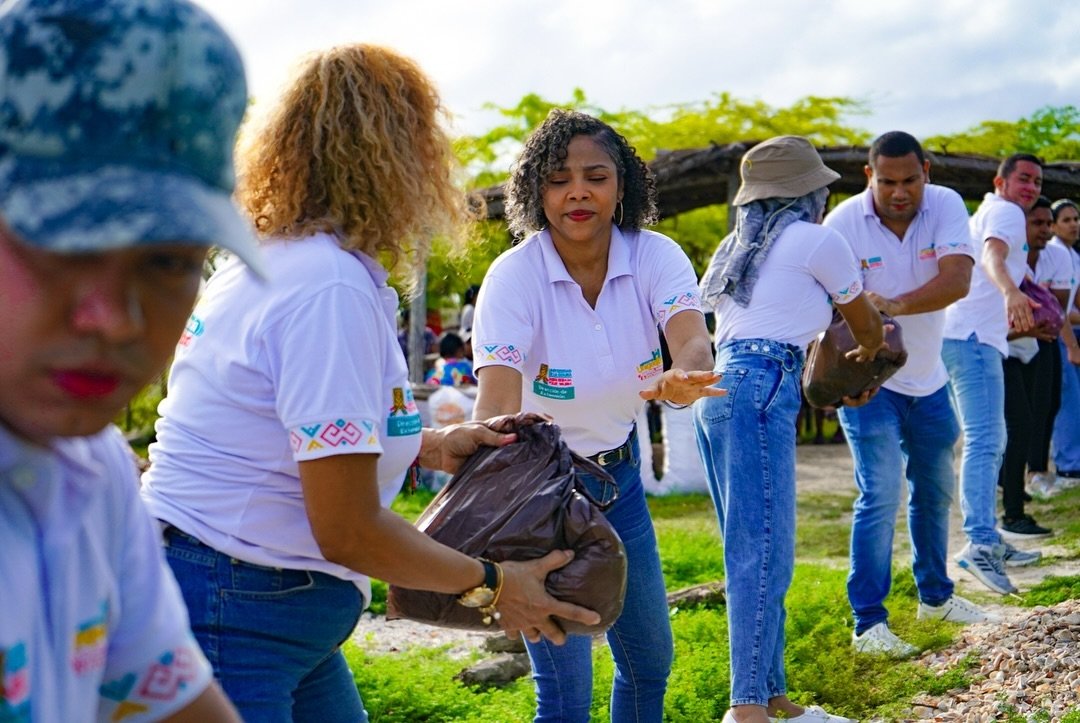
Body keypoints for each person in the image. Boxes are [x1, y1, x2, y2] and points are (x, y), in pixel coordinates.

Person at [141, 46, 599, 721]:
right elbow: (348, 528)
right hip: (233, 611)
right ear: (397, 157)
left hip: (254, 601)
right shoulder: (324, 288)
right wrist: (495, 584)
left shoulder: (277, 260)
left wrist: (433, 444)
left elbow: (285, 432)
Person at [0, 0, 259, 718]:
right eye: (61, 244)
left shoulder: (93, 468)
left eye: (166, 260)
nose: (113, 319)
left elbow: (169, 700)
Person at [471, 109, 720, 723]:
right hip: (539, 496)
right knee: (565, 697)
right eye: (557, 179)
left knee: (648, 664)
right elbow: (497, 400)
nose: (578, 191)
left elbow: (692, 340)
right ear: (536, 192)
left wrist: (684, 375)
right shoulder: (514, 276)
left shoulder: (655, 255)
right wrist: (497, 527)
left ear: (622, 188)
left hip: (620, 482)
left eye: (596, 176)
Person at [694, 135, 883, 723]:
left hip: (721, 389)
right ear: (810, 193)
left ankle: (774, 698)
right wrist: (872, 351)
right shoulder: (817, 239)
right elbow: (862, 321)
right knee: (762, 553)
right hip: (760, 386)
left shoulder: (733, 248)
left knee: (753, 549)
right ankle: (747, 708)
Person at [824, 132, 1002, 658]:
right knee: (879, 496)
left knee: (935, 493)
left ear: (926, 171)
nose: (899, 192)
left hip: (929, 380)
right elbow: (827, 311)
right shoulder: (841, 225)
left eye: (910, 180)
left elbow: (957, 281)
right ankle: (868, 624)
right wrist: (842, 380)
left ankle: (936, 597)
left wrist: (891, 306)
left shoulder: (946, 204)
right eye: (888, 182)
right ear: (868, 177)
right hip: (868, 384)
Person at [941, 153, 1044, 595]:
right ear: (999, 181)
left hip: (964, 336)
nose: (1032, 187)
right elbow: (992, 257)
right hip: (972, 339)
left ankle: (988, 537)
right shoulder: (1004, 212)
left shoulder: (987, 210)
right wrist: (1011, 292)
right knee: (985, 440)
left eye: (1037, 181)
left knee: (988, 439)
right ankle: (980, 543)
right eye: (1023, 178)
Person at [996, 196, 1068, 537]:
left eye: (1046, 224)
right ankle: (1011, 514)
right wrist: (1023, 326)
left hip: (1033, 344)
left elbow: (1057, 311)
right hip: (998, 348)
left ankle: (1011, 491)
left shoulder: (1051, 257)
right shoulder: (1001, 264)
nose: (1044, 230)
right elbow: (986, 321)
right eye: (1035, 223)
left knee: (1038, 413)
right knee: (1015, 425)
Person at [1044, 199, 1080, 492]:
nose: (1074, 224)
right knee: (1068, 398)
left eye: (1076, 219)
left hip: (1068, 330)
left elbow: (1074, 303)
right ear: (1053, 226)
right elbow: (1059, 311)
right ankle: (1068, 466)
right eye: (1066, 220)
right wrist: (1072, 346)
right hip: (1054, 334)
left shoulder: (1072, 255)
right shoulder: (1055, 252)